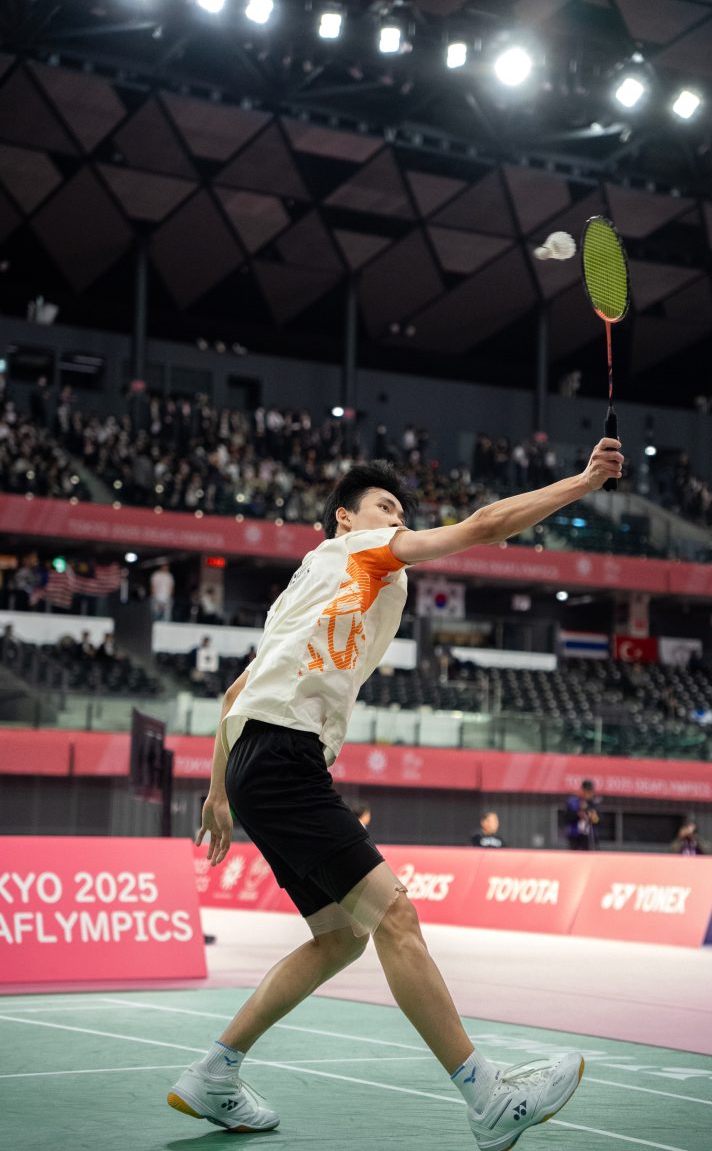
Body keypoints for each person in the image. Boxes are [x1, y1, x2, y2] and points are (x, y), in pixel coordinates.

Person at [171, 442, 622, 1144]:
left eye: (401, 513)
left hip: (258, 762)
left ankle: (214, 1074)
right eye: (385, 507)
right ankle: (486, 1096)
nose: (398, 520)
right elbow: (484, 526)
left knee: (340, 937)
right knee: (396, 917)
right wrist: (586, 481)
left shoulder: (302, 588)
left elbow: (235, 695)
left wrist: (218, 794)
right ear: (345, 519)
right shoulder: (363, 551)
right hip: (286, 758)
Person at [565, 780, 600, 850]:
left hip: (589, 836)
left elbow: (598, 821)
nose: (588, 794)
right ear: (582, 790)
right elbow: (566, 817)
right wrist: (578, 814)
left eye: (590, 791)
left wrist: (593, 817)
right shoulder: (573, 802)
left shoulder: (594, 803)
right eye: (586, 791)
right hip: (575, 835)